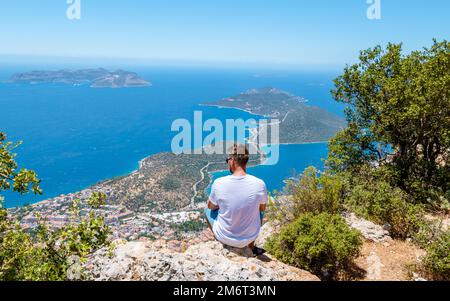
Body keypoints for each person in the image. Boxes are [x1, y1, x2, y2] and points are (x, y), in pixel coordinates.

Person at [204, 143, 267, 256]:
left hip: (225, 238)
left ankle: (220, 243)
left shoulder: (219, 183)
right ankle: (251, 246)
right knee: (258, 211)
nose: (227, 162)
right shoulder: (260, 183)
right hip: (250, 237)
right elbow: (262, 208)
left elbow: (210, 207)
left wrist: (225, 204)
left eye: (227, 159)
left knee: (206, 210)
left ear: (232, 160)